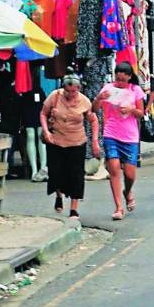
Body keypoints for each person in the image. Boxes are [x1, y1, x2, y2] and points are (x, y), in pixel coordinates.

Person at [41, 74, 101, 220]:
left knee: (76, 175)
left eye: (73, 91)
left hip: (77, 142)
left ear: (78, 89)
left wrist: (94, 141)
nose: (69, 94)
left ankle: (74, 209)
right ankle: (59, 195)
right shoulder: (55, 96)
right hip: (56, 140)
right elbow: (43, 113)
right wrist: (46, 130)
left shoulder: (84, 101)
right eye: (67, 91)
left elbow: (93, 120)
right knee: (56, 172)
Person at [95, 63, 146, 221]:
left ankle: (127, 192)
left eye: (123, 79)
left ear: (129, 77)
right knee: (114, 169)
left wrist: (131, 109)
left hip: (130, 136)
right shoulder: (108, 89)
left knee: (130, 174)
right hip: (111, 134)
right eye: (118, 78)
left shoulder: (135, 90)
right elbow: (94, 108)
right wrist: (98, 98)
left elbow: (140, 113)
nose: (120, 82)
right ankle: (118, 207)